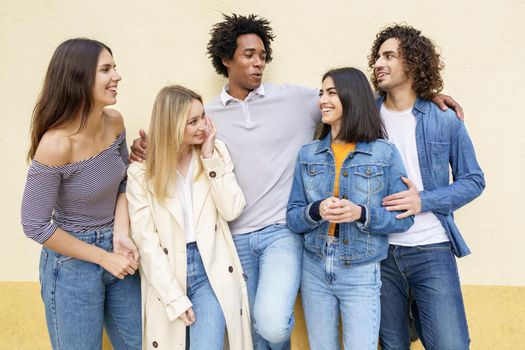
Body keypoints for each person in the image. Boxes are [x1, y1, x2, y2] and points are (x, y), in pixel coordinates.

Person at [129, 14, 464, 349]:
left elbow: (353, 100)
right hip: (234, 238)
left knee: (273, 323)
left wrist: (425, 97)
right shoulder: (207, 115)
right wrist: (147, 147)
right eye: (249, 55)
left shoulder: (295, 100)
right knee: (258, 334)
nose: (259, 62)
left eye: (263, 55)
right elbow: (175, 131)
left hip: (281, 233)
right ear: (226, 60)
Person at [368, 24, 486, 349]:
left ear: (412, 63)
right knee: (392, 345)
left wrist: (423, 200)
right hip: (379, 252)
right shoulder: (364, 117)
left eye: (389, 56)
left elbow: (474, 181)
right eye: (377, 56)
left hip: (431, 249)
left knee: (451, 344)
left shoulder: (443, 118)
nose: (379, 63)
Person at [20, 38, 141, 350]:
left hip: (117, 250)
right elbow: (35, 225)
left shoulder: (115, 122)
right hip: (71, 265)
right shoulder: (56, 144)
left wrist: (121, 233)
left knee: (142, 343)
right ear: (79, 78)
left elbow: (124, 181)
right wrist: (103, 258)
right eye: (106, 69)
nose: (117, 76)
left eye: (114, 67)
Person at [286, 67, 414, 350]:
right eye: (321, 93)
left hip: (361, 269)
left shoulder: (384, 153)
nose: (323, 100)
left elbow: (404, 219)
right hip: (315, 266)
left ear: (351, 97)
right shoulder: (308, 155)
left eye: (331, 92)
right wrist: (316, 210)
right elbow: (293, 217)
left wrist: (361, 213)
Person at [126, 85, 252, 350]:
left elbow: (232, 210)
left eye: (203, 116)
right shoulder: (141, 172)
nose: (203, 126)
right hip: (167, 272)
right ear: (171, 124)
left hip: (211, 270)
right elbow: (146, 242)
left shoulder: (216, 153)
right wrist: (174, 298)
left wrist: (209, 160)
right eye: (192, 121)